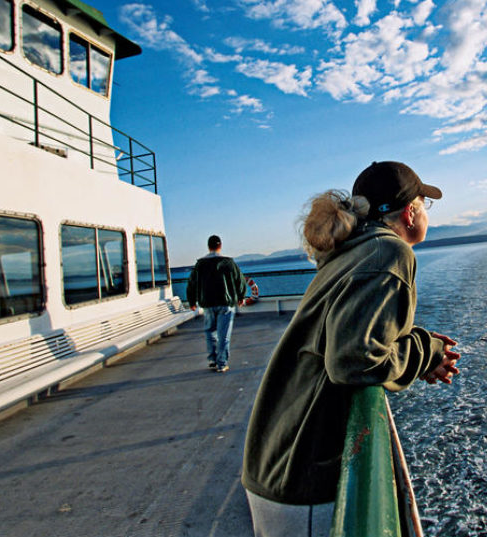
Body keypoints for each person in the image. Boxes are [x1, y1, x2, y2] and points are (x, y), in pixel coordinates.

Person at [241, 161, 462, 536]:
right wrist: (427, 350)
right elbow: (355, 361)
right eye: (425, 204)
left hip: (279, 459)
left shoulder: (353, 251)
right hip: (303, 472)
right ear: (410, 212)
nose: (426, 212)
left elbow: (357, 340)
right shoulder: (389, 254)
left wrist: (423, 352)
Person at [186, 235, 248, 373]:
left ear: (209, 246)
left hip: (207, 303)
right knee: (223, 334)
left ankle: (212, 360)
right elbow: (240, 280)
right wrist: (241, 296)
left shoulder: (200, 264)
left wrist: (192, 301)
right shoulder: (228, 262)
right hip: (225, 303)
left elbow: (192, 283)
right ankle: (222, 363)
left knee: (210, 331)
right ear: (220, 246)